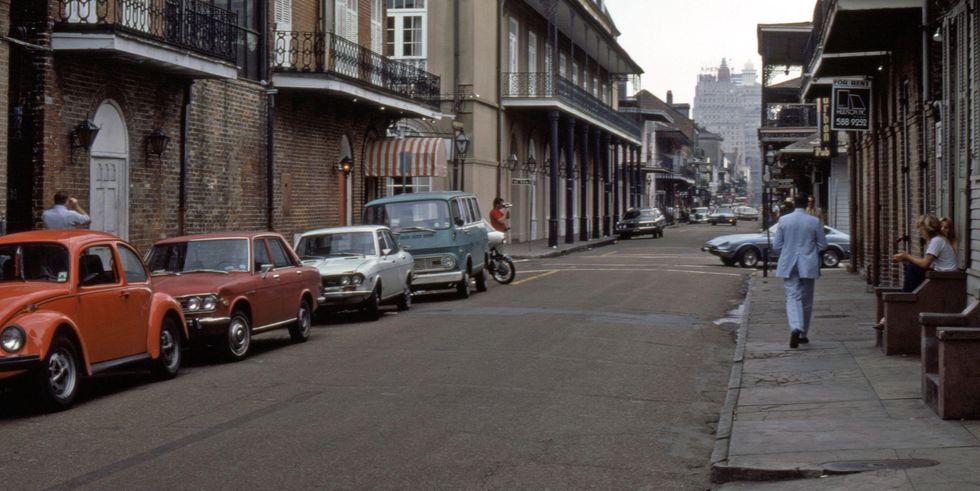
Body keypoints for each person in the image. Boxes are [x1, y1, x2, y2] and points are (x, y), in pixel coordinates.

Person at [773, 193, 827, 348]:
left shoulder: (784, 220)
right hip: (808, 263)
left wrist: (788, 251)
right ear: (806, 205)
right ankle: (803, 335)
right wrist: (811, 251)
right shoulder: (814, 221)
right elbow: (823, 245)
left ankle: (796, 326)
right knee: (807, 299)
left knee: (792, 296)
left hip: (789, 263)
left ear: (794, 204)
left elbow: (776, 246)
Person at [891, 215, 958, 292]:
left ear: (927, 229)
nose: (920, 233)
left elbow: (925, 264)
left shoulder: (937, 241)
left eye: (921, 229)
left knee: (913, 268)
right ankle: (907, 292)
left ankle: (908, 294)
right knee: (911, 266)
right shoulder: (939, 239)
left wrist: (907, 256)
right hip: (943, 273)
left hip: (945, 276)